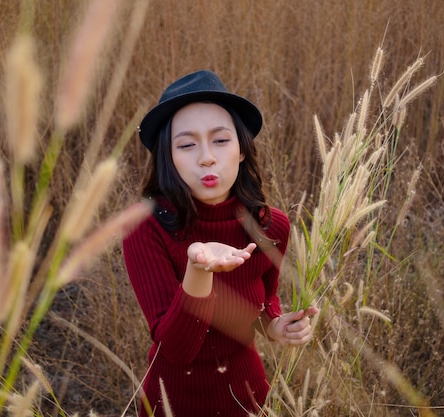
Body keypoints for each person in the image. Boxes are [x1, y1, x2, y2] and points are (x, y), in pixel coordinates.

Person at [122, 70, 318, 417]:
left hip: (248, 395)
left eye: (221, 140)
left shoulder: (272, 226)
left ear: (242, 149)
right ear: (169, 158)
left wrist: (276, 325)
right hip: (173, 402)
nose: (207, 157)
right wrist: (199, 269)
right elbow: (178, 349)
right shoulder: (144, 226)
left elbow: (263, 301)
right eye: (186, 144)